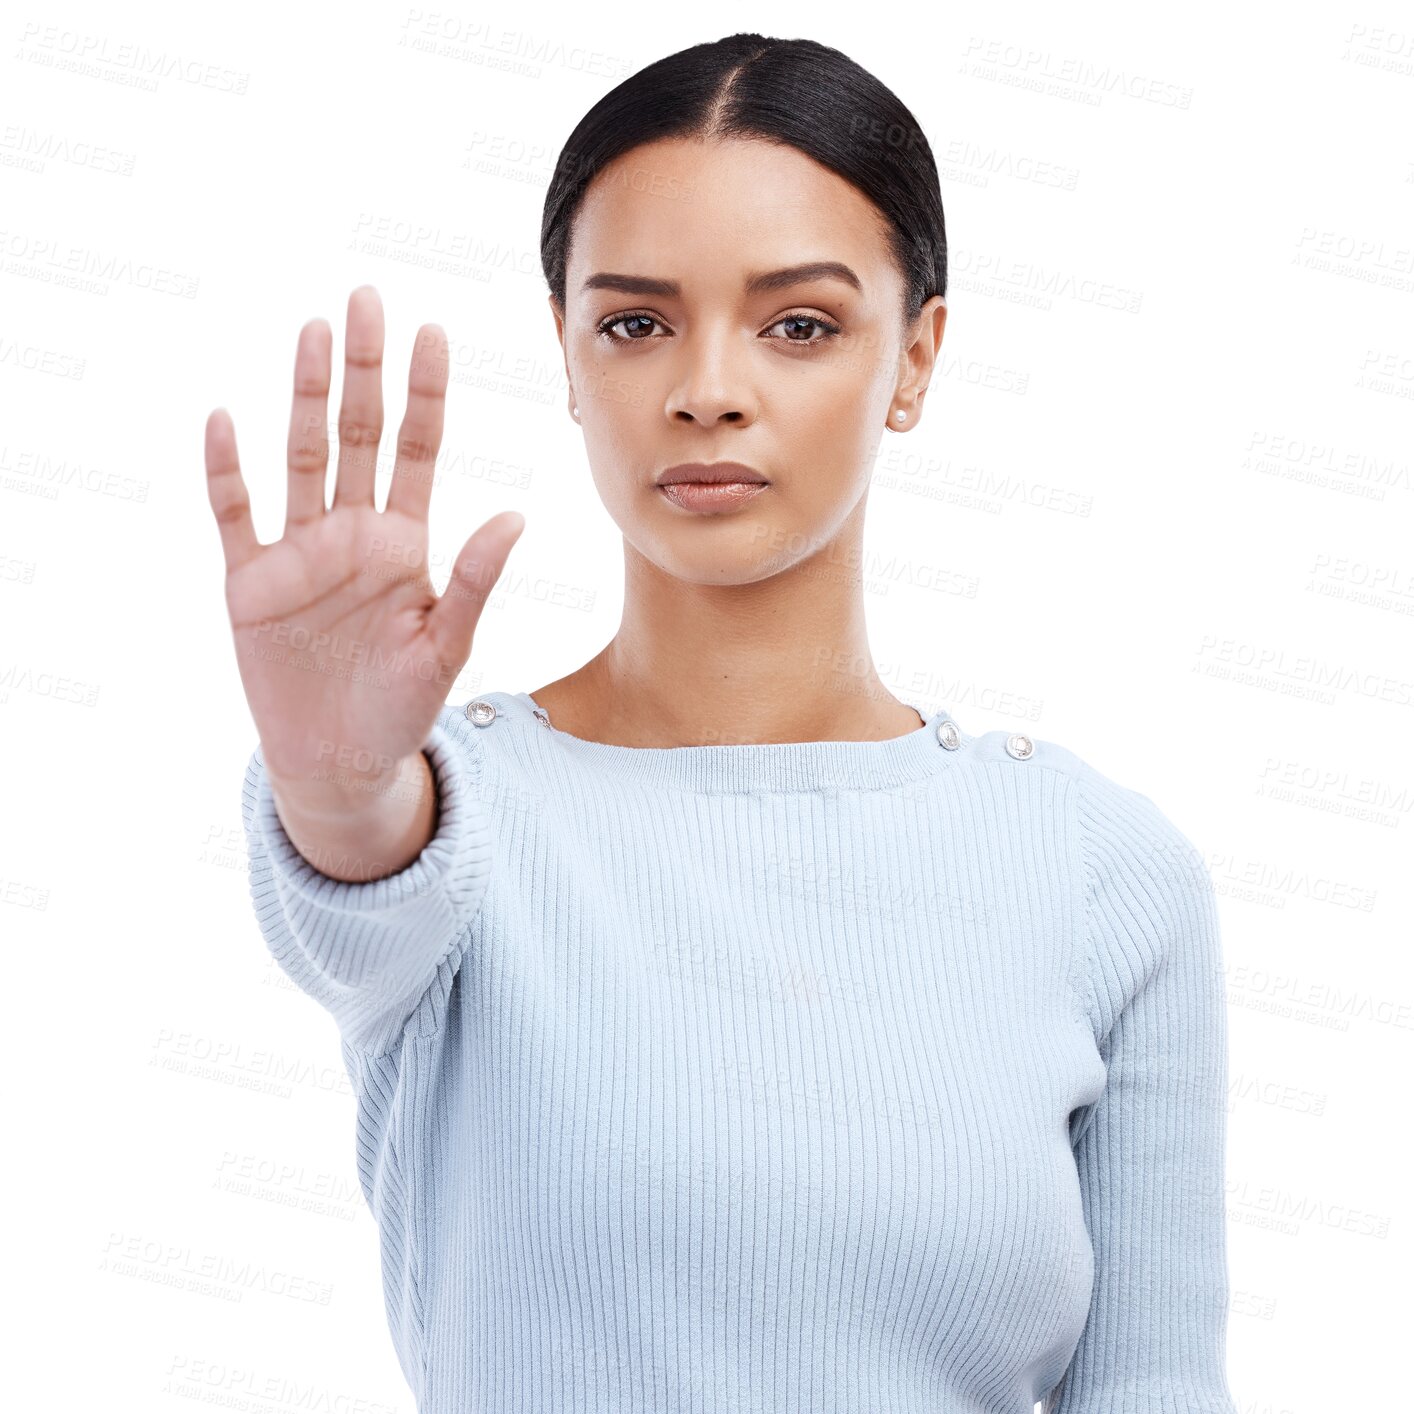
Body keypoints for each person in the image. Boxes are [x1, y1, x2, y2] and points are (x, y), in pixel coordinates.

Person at [206, 32, 1239, 1414]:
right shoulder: (458, 814)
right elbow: (363, 872)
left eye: (797, 322)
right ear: (567, 358)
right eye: (634, 322)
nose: (707, 385)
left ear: (916, 356)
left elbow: (1156, 1389)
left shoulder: (1103, 873)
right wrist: (332, 785)